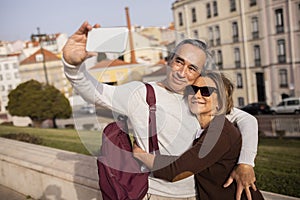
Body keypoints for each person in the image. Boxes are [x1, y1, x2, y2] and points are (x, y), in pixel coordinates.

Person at [62, 21, 258, 200]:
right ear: (169, 61)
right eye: (179, 62)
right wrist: (73, 66)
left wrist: (246, 163)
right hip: (156, 194)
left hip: (197, 195)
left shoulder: (198, 99)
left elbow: (247, 120)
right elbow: (95, 93)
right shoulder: (141, 93)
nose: (182, 73)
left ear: (199, 73)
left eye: (192, 68)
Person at [133, 72, 264, 200]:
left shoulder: (220, 132)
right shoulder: (203, 127)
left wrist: (140, 154)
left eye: (206, 91)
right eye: (193, 89)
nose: (197, 95)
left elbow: (176, 171)